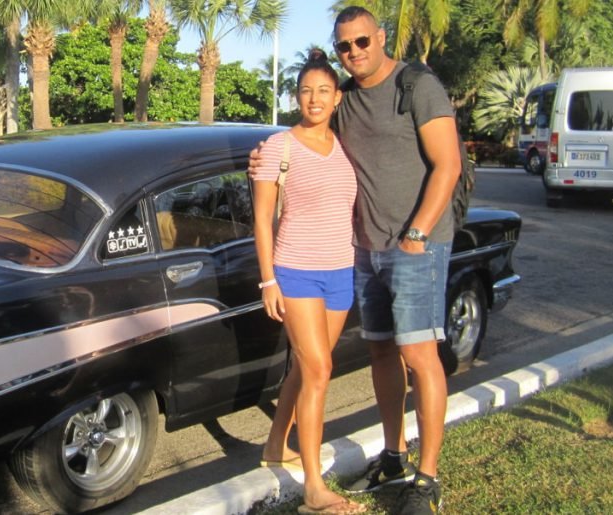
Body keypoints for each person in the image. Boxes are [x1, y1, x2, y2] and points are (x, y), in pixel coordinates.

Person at [251, 7, 461, 515]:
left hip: (415, 244)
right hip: (364, 250)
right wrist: (263, 154)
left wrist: (416, 233)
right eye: (345, 46)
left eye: (362, 41)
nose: (354, 53)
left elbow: (448, 164)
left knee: (419, 357)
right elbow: (303, 136)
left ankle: (426, 478)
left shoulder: (418, 85)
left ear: (380, 37)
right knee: (381, 355)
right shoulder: (343, 100)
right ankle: (393, 454)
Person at [252, 48, 365, 515]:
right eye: (305, 91)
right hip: (295, 270)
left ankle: (277, 444)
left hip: (341, 270)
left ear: (337, 97)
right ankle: (315, 489)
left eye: (323, 91)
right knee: (318, 370)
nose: (314, 99)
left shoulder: (345, 144)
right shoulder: (279, 146)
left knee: (306, 368)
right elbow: (261, 220)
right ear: (296, 97)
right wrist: (267, 281)